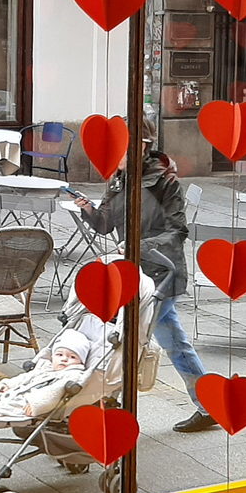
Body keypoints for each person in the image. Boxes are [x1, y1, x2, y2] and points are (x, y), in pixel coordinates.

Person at [75, 115, 218, 433]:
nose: (116, 154)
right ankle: (209, 406)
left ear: (142, 147)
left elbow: (177, 231)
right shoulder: (118, 178)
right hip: (133, 274)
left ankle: (108, 403)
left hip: (161, 274)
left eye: (122, 147)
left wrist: (137, 247)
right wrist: (88, 210)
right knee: (168, 341)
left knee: (129, 339)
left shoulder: (165, 181)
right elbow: (105, 225)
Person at [0, 330, 93, 467]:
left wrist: (36, 403)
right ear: (53, 356)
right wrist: (9, 384)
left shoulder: (73, 375)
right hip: (15, 394)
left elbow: (53, 392)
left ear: (81, 361)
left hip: (27, 404)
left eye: (72, 357)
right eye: (60, 355)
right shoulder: (46, 367)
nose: (64, 359)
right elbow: (25, 378)